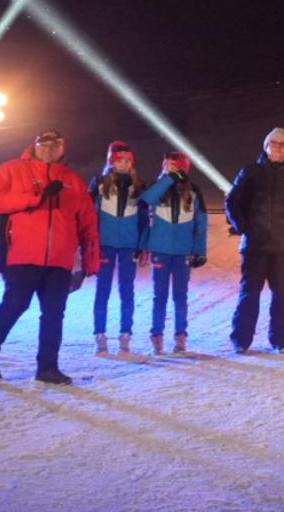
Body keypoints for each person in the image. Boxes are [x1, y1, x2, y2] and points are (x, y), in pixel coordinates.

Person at [0, 129, 100, 383]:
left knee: (54, 314)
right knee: (15, 305)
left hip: (59, 261)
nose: (49, 150)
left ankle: (47, 368)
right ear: (35, 146)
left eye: (56, 145)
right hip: (23, 255)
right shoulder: (13, 169)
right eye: (44, 144)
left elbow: (88, 223)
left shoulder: (72, 180)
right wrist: (35, 197)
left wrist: (90, 260)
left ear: (62, 149)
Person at [226, 126, 284, 354]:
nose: (278, 148)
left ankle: (280, 340)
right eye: (274, 143)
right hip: (255, 246)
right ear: (266, 146)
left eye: (283, 144)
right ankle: (241, 340)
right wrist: (244, 227)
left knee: (282, 295)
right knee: (249, 294)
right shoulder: (251, 172)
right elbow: (232, 201)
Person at [140, 151, 208, 354]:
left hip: (182, 252)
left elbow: (201, 222)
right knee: (159, 295)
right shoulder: (158, 187)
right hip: (160, 250)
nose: (173, 170)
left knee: (180, 296)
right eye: (169, 166)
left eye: (177, 168)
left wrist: (199, 250)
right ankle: (157, 336)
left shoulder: (193, 191)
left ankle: (180, 337)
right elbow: (146, 199)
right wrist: (169, 179)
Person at [89, 141, 149, 356]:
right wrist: (90, 243)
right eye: (119, 161)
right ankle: (100, 334)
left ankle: (125, 335)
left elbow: (144, 219)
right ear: (111, 162)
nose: (123, 164)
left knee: (127, 290)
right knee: (102, 289)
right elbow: (89, 215)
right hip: (105, 244)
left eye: (127, 161)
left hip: (129, 245)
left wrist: (143, 245)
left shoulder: (139, 186)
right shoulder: (99, 183)